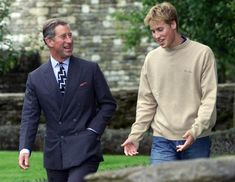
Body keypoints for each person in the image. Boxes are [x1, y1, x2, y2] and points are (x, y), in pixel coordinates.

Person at [18, 18, 116, 182]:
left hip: (85, 148)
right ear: (49, 41)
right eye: (63, 37)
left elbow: (108, 104)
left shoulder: (90, 69)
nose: (69, 41)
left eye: (70, 35)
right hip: (55, 153)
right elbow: (29, 116)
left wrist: (93, 131)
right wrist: (25, 148)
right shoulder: (35, 78)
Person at [121, 2, 217, 165]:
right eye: (153, 31)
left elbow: (209, 98)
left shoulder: (202, 53)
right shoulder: (151, 59)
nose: (156, 36)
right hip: (162, 139)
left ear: (173, 24)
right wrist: (135, 135)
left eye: (160, 29)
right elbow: (146, 102)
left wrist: (195, 131)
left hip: (196, 139)